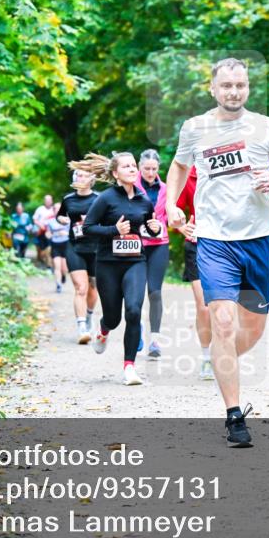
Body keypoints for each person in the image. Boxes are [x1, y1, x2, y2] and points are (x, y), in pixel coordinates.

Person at [165, 57, 269, 448]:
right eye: (226, 86)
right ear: (213, 88)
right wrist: (172, 205)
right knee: (222, 322)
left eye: (240, 85)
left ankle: (222, 359)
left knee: (252, 329)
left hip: (259, 237)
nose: (233, 92)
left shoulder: (265, 126)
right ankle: (233, 415)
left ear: (247, 87)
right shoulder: (195, 128)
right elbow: (177, 167)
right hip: (213, 240)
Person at [75, 152, 163, 386]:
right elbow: (88, 228)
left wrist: (154, 228)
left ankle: (129, 368)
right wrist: (114, 230)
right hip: (107, 264)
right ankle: (103, 330)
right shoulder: (105, 198)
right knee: (113, 318)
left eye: (134, 165)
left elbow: (150, 228)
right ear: (115, 173)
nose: (133, 169)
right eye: (127, 166)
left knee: (134, 311)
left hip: (135, 261)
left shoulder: (144, 201)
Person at [175, 165, 214, 380]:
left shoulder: (231, 167)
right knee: (204, 307)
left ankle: (225, 350)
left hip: (227, 243)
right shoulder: (188, 175)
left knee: (227, 306)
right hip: (197, 244)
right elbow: (173, 210)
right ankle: (207, 358)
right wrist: (181, 228)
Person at [135, 149, 170, 359]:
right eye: (146, 168)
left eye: (154, 169)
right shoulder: (130, 187)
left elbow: (170, 213)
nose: (150, 172)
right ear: (140, 167)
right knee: (135, 292)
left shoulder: (167, 188)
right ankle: (136, 330)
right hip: (136, 245)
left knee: (155, 292)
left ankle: (155, 340)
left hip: (159, 244)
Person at [57, 169, 100, 342]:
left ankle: (89, 316)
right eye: (78, 175)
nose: (80, 178)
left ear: (92, 179)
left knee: (93, 288)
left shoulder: (99, 198)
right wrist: (63, 220)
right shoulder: (68, 199)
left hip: (96, 248)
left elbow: (110, 217)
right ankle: (82, 327)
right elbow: (60, 215)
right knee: (80, 287)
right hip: (75, 246)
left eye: (84, 175)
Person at [47, 203, 69, 293]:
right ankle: (58, 284)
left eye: (60, 208)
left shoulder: (68, 220)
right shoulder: (51, 222)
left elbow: (73, 233)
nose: (58, 210)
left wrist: (66, 233)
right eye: (56, 209)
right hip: (55, 245)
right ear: (54, 210)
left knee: (64, 268)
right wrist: (49, 235)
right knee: (57, 266)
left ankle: (63, 275)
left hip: (66, 245)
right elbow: (48, 233)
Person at [32, 195, 55, 270]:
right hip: (41, 232)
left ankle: (49, 265)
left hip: (51, 232)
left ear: (52, 201)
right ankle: (42, 261)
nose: (48, 202)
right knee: (42, 249)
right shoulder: (40, 209)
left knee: (50, 247)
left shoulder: (54, 209)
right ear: (44, 201)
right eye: (46, 200)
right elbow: (35, 219)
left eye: (49, 200)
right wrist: (40, 225)